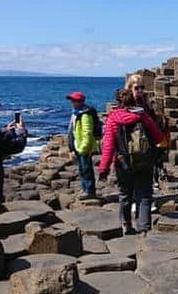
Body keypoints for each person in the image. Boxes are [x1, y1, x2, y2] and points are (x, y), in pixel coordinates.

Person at [98, 89, 163, 235]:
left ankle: (126, 225)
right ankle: (144, 229)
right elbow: (159, 137)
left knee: (125, 195)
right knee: (144, 195)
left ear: (118, 102)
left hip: (123, 163)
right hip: (145, 161)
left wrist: (103, 169)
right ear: (133, 101)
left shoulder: (113, 118)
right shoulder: (142, 115)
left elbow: (108, 146)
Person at [125, 74, 169, 187]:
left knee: (148, 168)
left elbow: (153, 122)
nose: (140, 90)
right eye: (136, 88)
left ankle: (151, 188)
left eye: (142, 87)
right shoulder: (125, 105)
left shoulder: (147, 103)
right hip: (130, 144)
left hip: (147, 142)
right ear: (130, 88)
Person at [65, 91, 98, 198]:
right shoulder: (76, 113)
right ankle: (85, 189)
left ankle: (89, 191)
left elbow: (87, 132)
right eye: (72, 100)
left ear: (80, 102)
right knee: (82, 169)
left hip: (84, 147)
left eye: (74, 100)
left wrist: (84, 148)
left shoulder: (85, 115)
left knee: (86, 169)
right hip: (78, 145)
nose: (72, 102)